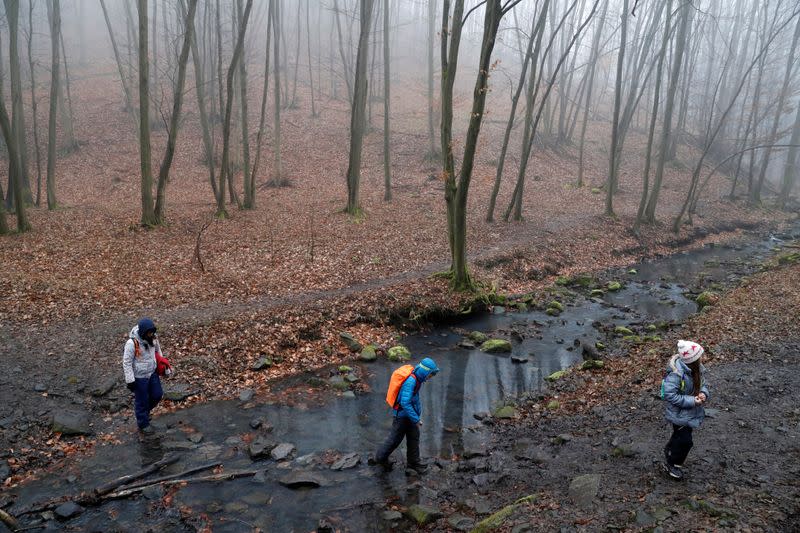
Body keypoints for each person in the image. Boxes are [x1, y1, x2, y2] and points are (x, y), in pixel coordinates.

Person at [374, 357, 440, 474]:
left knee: (414, 437)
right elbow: (405, 402)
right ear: (425, 372)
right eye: (430, 374)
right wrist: (416, 418)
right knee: (395, 439)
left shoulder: (418, 380)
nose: (430, 378)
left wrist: (416, 415)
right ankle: (380, 458)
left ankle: (413, 463)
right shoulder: (411, 381)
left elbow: (414, 399)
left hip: (409, 416)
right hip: (401, 416)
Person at [661, 340, 710, 480]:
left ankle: (670, 449)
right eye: (699, 356)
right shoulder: (676, 374)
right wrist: (692, 400)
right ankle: (672, 463)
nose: (702, 358)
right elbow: (670, 395)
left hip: (690, 411)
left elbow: (704, 384)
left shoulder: (697, 369)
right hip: (679, 413)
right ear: (692, 359)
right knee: (686, 441)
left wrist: (703, 393)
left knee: (680, 434)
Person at [123, 318, 171, 434]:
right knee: (142, 401)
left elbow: (158, 352)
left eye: (152, 332)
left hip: (152, 372)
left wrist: (164, 367)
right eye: (149, 333)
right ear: (143, 333)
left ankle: (144, 413)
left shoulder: (154, 338)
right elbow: (127, 362)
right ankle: (143, 424)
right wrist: (130, 381)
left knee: (157, 395)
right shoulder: (132, 344)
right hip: (139, 377)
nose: (151, 335)